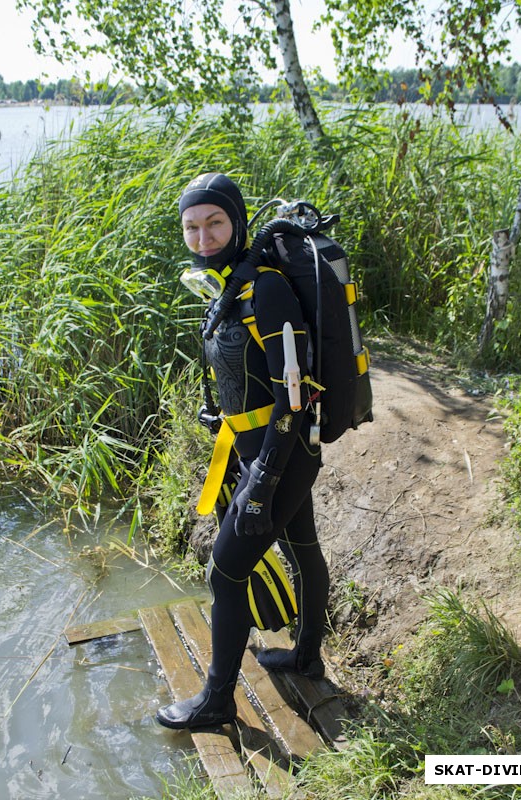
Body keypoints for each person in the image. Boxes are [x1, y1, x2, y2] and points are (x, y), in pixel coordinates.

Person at [156, 172, 329, 730]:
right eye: (192, 227)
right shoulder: (229, 285)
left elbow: (294, 397)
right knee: (303, 546)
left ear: (238, 221)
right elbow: (251, 373)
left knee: (225, 573)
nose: (203, 237)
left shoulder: (267, 287)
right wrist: (226, 418)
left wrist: (261, 484)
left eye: (215, 223)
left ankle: (216, 702)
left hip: (280, 456)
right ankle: (305, 657)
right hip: (263, 451)